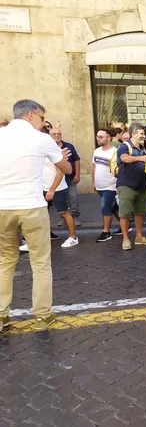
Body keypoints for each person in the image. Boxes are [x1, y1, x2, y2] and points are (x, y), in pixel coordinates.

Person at [0, 99, 72, 332]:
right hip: (31, 205)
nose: (43, 123)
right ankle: (43, 316)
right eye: (42, 118)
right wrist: (61, 156)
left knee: (5, 261)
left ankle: (1, 316)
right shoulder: (41, 139)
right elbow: (67, 169)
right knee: (40, 263)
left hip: (2, 207)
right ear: (31, 115)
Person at [116, 123, 146, 250]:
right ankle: (125, 239)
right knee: (125, 213)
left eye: (144, 133)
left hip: (142, 186)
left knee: (140, 212)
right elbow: (124, 158)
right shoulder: (124, 146)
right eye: (141, 134)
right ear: (133, 134)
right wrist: (140, 158)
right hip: (126, 185)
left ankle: (139, 237)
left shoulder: (143, 148)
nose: (144, 136)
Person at [92, 129, 122, 242]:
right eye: (97, 136)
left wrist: (118, 185)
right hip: (100, 186)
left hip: (111, 186)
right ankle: (125, 225)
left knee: (105, 208)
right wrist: (93, 182)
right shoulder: (96, 151)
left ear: (109, 138)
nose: (98, 138)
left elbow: (120, 170)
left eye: (101, 137)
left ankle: (106, 232)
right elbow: (94, 166)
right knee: (113, 207)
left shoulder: (116, 152)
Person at [49, 126, 82, 227]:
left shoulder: (69, 146)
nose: (57, 135)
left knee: (73, 198)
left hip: (69, 178)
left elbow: (76, 160)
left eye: (58, 133)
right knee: (61, 200)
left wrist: (77, 174)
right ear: (49, 136)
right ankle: (63, 218)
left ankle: (75, 217)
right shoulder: (48, 148)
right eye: (54, 134)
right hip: (55, 180)